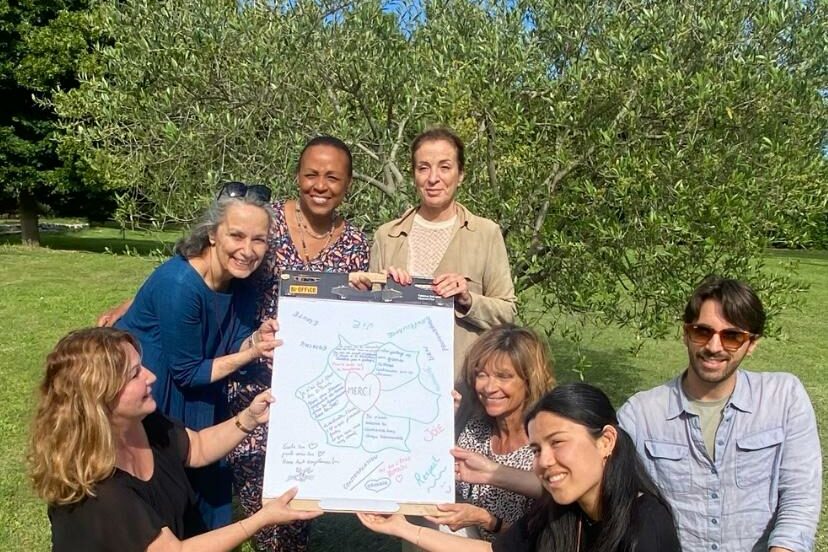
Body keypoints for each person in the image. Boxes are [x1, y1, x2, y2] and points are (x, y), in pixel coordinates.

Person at [28, 327, 321, 552]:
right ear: (101, 396)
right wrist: (261, 519)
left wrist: (249, 418)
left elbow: (198, 447)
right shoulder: (100, 492)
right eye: (134, 374)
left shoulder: (142, 422)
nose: (151, 376)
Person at [226, 135, 370, 551]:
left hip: (314, 395)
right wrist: (136, 303)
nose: (320, 185)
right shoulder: (264, 222)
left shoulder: (357, 246)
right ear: (297, 176)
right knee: (257, 495)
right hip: (253, 381)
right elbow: (209, 266)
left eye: (332, 177)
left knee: (297, 502)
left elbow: (360, 320)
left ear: (347, 184)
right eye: (311, 175)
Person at [113, 182, 280, 529]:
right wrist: (250, 354)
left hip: (205, 394)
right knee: (169, 505)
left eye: (259, 240)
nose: (248, 250)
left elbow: (232, 342)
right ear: (213, 234)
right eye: (237, 236)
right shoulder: (180, 284)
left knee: (209, 503)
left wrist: (254, 340)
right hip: (160, 398)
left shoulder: (243, 281)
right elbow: (188, 372)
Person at [617, 276, 822, 552]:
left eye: (732, 336)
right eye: (702, 331)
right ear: (686, 334)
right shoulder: (641, 415)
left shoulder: (783, 398)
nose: (714, 347)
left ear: (752, 344)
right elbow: (608, 493)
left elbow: (800, 499)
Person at [357, 383, 681, 552]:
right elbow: (491, 551)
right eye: (537, 449)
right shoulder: (561, 513)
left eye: (558, 442)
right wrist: (401, 527)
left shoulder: (645, 525)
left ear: (606, 441)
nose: (544, 462)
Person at [360, 127, 516, 375]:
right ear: (414, 175)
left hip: (462, 385)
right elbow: (368, 319)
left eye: (445, 167)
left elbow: (507, 314)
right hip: (396, 378)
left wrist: (467, 299)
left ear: (460, 174)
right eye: (423, 168)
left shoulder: (486, 234)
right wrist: (382, 292)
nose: (433, 178)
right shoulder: (386, 236)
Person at [426, 325, 554, 542]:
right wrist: (440, 424)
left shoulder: (545, 444)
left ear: (529, 381)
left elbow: (540, 540)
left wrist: (487, 519)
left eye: (504, 376)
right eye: (482, 375)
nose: (489, 387)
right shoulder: (475, 429)